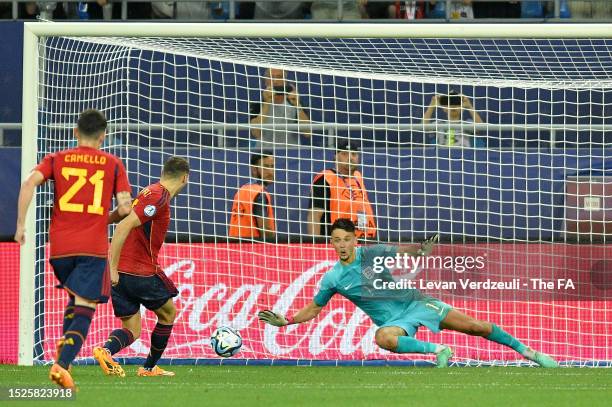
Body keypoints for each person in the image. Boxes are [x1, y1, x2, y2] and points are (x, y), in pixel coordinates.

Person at [259, 218, 559, 368]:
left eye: (347, 239)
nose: (341, 245)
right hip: (394, 322)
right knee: (383, 339)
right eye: (336, 240)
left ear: (355, 239)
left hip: (416, 303)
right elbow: (314, 309)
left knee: (477, 327)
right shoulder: (332, 278)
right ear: (332, 241)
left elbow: (404, 251)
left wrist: (421, 248)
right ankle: (438, 352)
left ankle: (530, 353)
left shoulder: (371, 254)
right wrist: (286, 321)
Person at [14, 109, 133, 389]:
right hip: (91, 247)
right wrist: (106, 218)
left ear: (75, 132)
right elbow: (126, 208)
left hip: (59, 249)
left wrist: (20, 225)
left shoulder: (57, 159)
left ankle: (63, 350)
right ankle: (62, 365)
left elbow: (29, 182)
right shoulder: (113, 163)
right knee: (85, 306)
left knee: (76, 300)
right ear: (103, 136)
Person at [93, 156, 189, 377]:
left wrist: (101, 220)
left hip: (123, 276)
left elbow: (124, 215)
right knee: (167, 314)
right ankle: (148, 368)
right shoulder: (158, 196)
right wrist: (112, 266)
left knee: (132, 330)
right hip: (139, 270)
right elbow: (124, 225)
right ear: (185, 178)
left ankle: (105, 350)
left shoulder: (150, 191)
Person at [307, 140, 376, 239]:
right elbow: (314, 215)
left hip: (364, 242)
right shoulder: (326, 178)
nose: (350, 158)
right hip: (337, 244)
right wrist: (315, 247)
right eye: (344, 154)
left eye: (354, 154)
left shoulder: (358, 177)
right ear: (335, 157)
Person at [250, 68, 311, 150]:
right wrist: (266, 103)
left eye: (279, 77)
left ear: (285, 81)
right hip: (265, 155)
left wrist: (297, 105)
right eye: (271, 77)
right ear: (265, 81)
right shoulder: (257, 105)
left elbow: (308, 133)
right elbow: (256, 133)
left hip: (291, 155)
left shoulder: (295, 103)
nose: (275, 81)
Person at [228, 152, 276, 240]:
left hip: (235, 248)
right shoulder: (260, 194)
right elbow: (264, 229)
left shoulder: (241, 191)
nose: (270, 171)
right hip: (254, 250)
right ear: (254, 169)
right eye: (265, 166)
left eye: (272, 166)